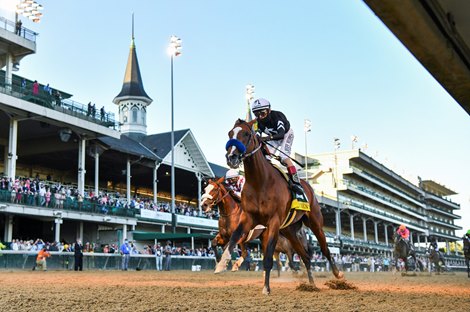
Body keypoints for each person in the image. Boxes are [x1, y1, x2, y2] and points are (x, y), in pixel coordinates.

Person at [251, 98, 302, 195]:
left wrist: (265, 139)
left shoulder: (278, 116)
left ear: (269, 110)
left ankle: (296, 182)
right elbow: (257, 135)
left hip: (286, 135)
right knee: (265, 157)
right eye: (256, 114)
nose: (260, 117)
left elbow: (281, 134)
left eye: (262, 113)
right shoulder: (257, 122)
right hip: (274, 138)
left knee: (284, 157)